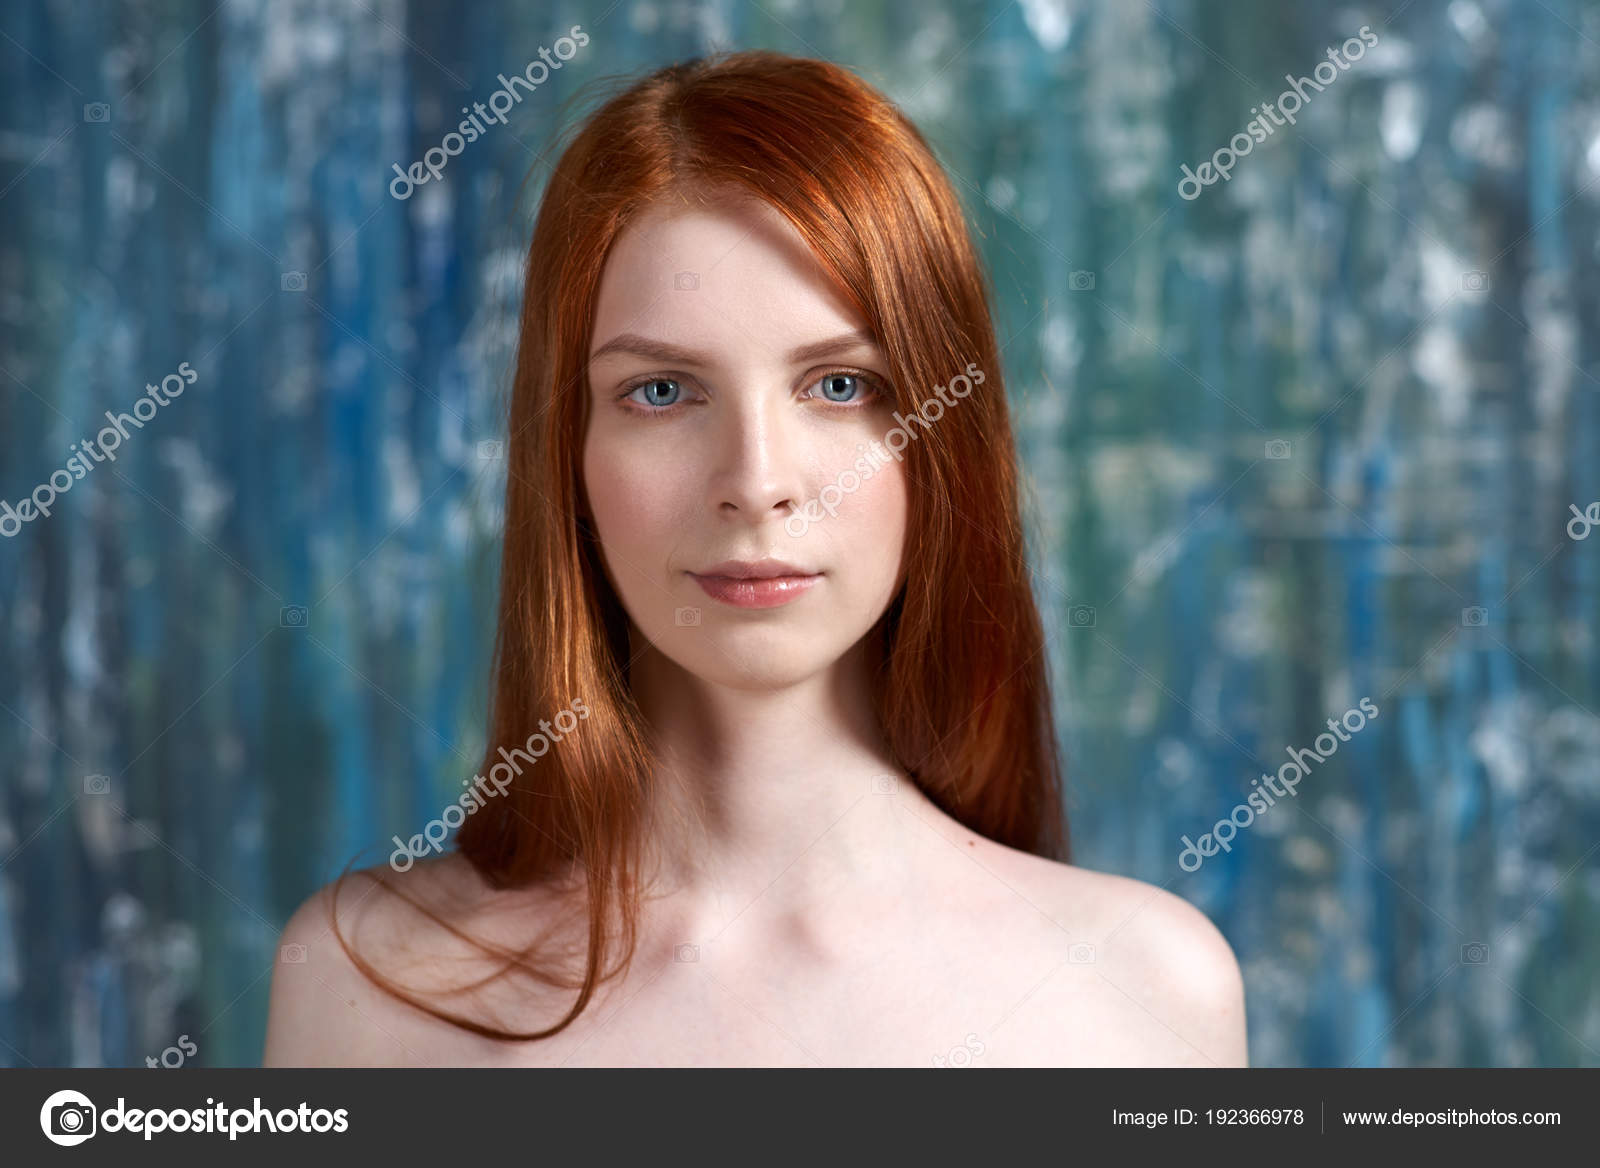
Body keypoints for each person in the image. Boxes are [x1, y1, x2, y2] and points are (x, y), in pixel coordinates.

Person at [262, 50, 1247, 1067]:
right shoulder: (365, 986)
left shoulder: (1147, 989)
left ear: (944, 436)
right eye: (661, 391)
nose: (758, 480)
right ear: (568, 452)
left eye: (837, 386)